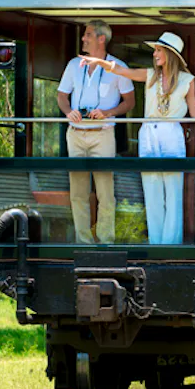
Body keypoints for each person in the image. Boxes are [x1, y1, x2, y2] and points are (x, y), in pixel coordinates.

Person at [79, 32, 195, 244]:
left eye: (159, 50)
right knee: (152, 192)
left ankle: (171, 246)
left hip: (172, 133)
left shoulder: (187, 80)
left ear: (170, 54)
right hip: (148, 133)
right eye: (155, 50)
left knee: (173, 192)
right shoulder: (150, 75)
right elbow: (121, 70)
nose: (155, 54)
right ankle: (156, 245)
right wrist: (99, 62)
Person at [57, 21, 136, 244]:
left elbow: (129, 102)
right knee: (78, 193)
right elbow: (62, 96)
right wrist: (69, 112)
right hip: (75, 133)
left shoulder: (118, 67)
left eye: (88, 35)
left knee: (105, 193)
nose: (83, 39)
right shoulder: (73, 64)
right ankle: (83, 243)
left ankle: (106, 242)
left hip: (103, 134)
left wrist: (108, 113)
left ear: (102, 39)